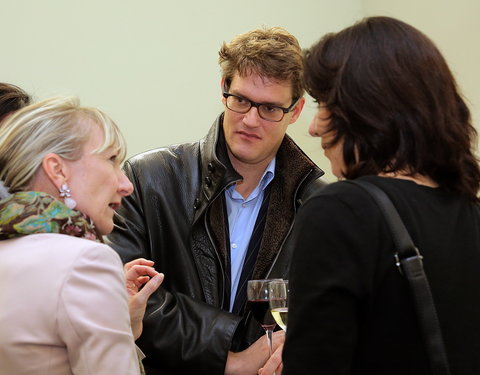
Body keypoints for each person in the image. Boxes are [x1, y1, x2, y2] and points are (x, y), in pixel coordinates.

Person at [107, 27, 326, 375]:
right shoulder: (148, 178)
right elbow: (122, 293)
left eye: (270, 108)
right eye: (241, 100)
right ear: (223, 89)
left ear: (296, 110)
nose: (250, 120)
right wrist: (230, 361)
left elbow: (321, 311)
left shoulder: (318, 205)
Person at [277, 16, 480, 375]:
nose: (313, 127)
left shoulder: (340, 211)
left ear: (364, 110)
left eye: (323, 104)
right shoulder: (470, 212)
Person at [0, 96, 164, 375]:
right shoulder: (87, 261)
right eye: (112, 160)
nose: (125, 185)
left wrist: (122, 324)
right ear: (57, 170)